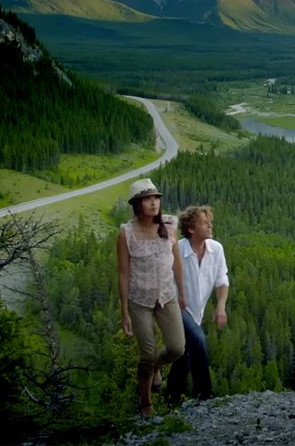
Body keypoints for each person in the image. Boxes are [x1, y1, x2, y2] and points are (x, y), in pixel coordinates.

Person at [116, 178, 186, 418]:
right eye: (147, 198)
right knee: (146, 353)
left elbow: (177, 262)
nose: (154, 203)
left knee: (177, 348)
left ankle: (158, 367)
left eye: (156, 198)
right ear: (137, 204)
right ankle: (145, 402)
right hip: (140, 300)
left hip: (167, 296)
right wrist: (124, 311)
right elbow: (124, 273)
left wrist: (182, 293)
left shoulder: (169, 225)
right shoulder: (126, 234)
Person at [167, 204, 229, 404]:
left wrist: (220, 306)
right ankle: (205, 395)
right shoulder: (178, 250)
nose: (210, 225)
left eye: (210, 221)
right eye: (204, 222)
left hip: (196, 313)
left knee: (183, 356)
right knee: (199, 340)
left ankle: (172, 400)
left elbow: (222, 280)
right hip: (177, 309)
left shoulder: (216, 249)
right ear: (191, 229)